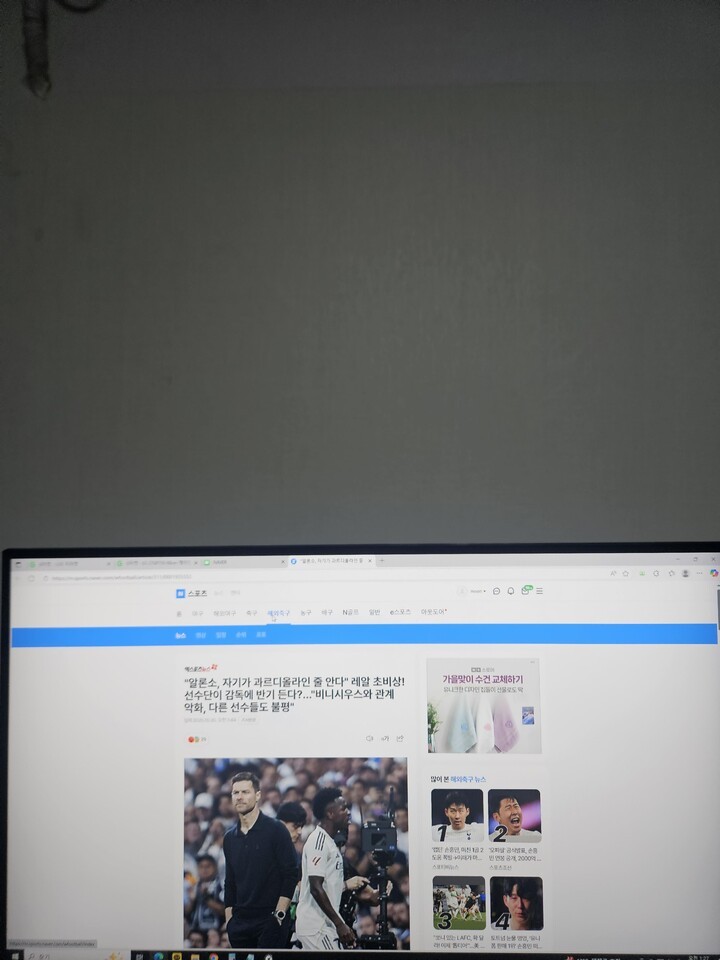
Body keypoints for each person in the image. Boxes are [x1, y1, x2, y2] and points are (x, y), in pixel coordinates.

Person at [223, 771, 298, 948]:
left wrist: (278, 916)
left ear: (257, 795)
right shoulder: (229, 838)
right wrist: (230, 922)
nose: (239, 797)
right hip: (240, 925)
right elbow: (230, 882)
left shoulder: (276, 830)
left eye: (245, 792)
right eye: (235, 792)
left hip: (270, 921)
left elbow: (290, 875)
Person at [295, 787, 369, 950]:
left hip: (325, 925)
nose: (348, 812)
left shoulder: (330, 842)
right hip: (317, 926)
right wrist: (340, 924)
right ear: (330, 814)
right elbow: (316, 888)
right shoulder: (318, 842)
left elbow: (329, 887)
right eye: (343, 809)